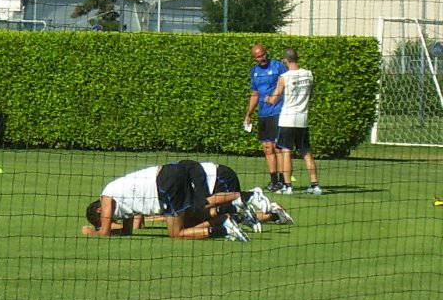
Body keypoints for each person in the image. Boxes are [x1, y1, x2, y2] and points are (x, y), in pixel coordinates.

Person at [82, 163, 250, 241]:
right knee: (195, 213)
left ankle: (223, 229)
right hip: (170, 174)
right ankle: (236, 204)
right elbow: (128, 231)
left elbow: (104, 232)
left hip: (164, 183)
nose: (112, 221)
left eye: (105, 220)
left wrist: (92, 232)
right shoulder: (122, 201)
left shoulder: (106, 196)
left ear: (99, 211)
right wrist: (114, 229)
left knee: (175, 234)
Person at [265, 49, 322, 195]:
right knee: (306, 152)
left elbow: (274, 98)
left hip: (287, 118)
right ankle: (315, 185)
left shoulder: (284, 77)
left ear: (285, 60)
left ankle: (288, 186)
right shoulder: (309, 74)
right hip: (302, 118)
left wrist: (266, 99)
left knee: (286, 151)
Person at [244, 44, 287, 192]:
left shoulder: (278, 66)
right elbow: (255, 94)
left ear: (266, 53)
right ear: (254, 58)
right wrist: (248, 114)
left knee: (278, 147)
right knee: (267, 148)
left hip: (278, 111)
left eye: (262, 55)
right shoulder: (254, 71)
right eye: (257, 57)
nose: (261, 58)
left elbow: (287, 85)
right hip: (263, 114)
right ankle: (273, 181)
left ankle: (283, 180)